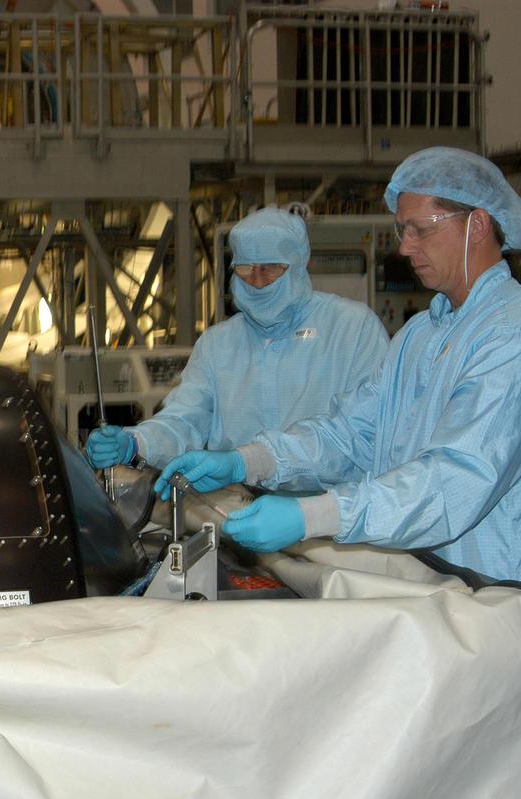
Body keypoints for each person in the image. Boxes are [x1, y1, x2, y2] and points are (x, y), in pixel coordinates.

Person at [157, 147, 521, 581]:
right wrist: (249, 460)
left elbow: (452, 483)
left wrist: (316, 515)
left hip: (492, 590)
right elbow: (349, 432)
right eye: (402, 230)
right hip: (429, 580)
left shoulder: (507, 334)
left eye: (420, 230)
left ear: (477, 225)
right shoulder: (421, 333)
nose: (404, 247)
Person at [86, 207, 389, 492]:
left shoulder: (352, 329)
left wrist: (253, 461)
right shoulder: (218, 343)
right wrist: (137, 442)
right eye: (245, 269)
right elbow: (186, 419)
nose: (257, 281)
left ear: (300, 264)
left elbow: (360, 433)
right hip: (238, 505)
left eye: (271, 269)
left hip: (334, 511)